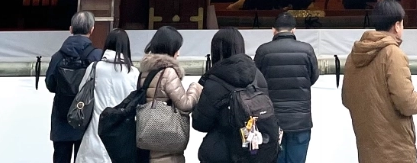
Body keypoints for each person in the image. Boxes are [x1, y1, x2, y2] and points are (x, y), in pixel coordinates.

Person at [341, 0, 417, 163]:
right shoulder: (393, 53)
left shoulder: (355, 55)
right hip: (395, 148)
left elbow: (346, 98)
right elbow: (406, 102)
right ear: (397, 26)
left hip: (367, 146)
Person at [193, 27, 274, 163]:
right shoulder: (257, 75)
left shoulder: (214, 81)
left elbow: (200, 124)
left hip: (221, 152)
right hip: (254, 151)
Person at [254, 12, 320, 163]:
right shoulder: (306, 50)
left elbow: (256, 81)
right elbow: (313, 77)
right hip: (300, 118)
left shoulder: (263, 51)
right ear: (294, 30)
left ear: (273, 30)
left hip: (270, 118)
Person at [139, 25, 203, 163]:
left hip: (147, 133)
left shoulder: (144, 72)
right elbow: (185, 104)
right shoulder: (168, 73)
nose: (178, 53)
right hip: (166, 138)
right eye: (177, 48)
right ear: (170, 48)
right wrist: (195, 88)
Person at [46, 11, 104, 163]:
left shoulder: (57, 56)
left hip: (61, 116)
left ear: (70, 29)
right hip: (85, 118)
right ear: (92, 30)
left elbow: (50, 84)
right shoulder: (97, 56)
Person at [78, 29, 138, 163]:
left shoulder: (95, 67)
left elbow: (81, 90)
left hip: (95, 130)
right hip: (121, 134)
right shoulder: (133, 73)